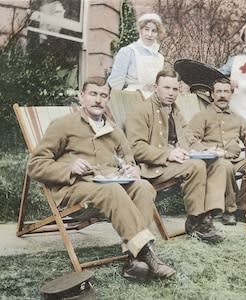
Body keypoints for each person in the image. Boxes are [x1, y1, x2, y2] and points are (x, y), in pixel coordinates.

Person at [27, 77, 175, 280]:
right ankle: (148, 255)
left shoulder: (113, 129)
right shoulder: (63, 125)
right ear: (82, 97)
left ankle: (134, 260)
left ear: (108, 100)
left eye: (103, 95)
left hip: (108, 188)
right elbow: (35, 165)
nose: (98, 100)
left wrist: (132, 170)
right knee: (112, 190)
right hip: (75, 188)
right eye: (93, 94)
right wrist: (68, 167)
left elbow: (128, 159)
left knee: (143, 187)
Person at [125, 70, 229, 243]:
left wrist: (206, 150)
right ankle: (196, 220)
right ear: (155, 87)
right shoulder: (141, 110)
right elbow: (135, 148)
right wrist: (167, 154)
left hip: (176, 162)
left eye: (175, 89)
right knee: (196, 166)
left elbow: (187, 138)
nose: (171, 93)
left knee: (217, 163)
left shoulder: (174, 110)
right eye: (166, 88)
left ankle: (207, 217)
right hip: (152, 168)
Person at [186, 78, 246, 225]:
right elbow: (191, 139)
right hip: (212, 162)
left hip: (233, 160)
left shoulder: (238, 119)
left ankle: (244, 208)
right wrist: (208, 150)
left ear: (231, 94)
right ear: (212, 94)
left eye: (226, 91)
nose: (222, 95)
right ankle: (229, 210)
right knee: (225, 165)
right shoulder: (202, 116)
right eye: (218, 91)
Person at [108, 13, 166, 97]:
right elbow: (116, 82)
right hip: (132, 97)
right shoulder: (128, 51)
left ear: (158, 33)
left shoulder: (160, 58)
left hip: (153, 100)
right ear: (140, 30)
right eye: (146, 29)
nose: (149, 34)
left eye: (154, 31)